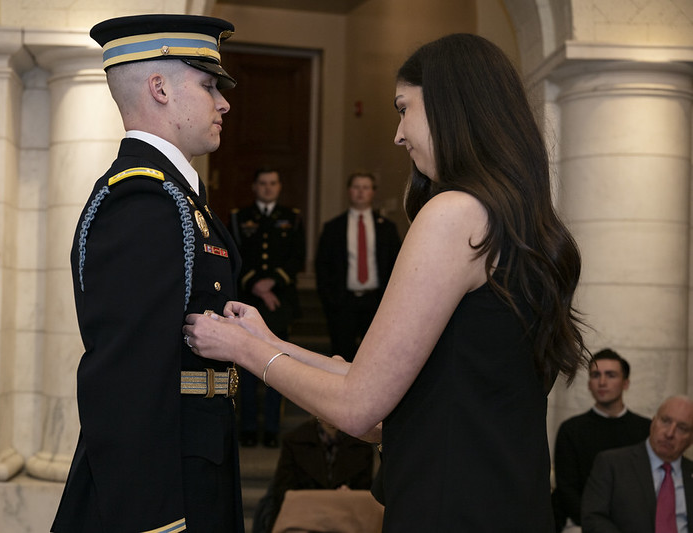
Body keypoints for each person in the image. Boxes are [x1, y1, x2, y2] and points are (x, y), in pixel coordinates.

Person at [185, 33, 587, 532]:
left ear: (447, 106)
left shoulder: (454, 213)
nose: (398, 135)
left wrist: (243, 351)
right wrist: (271, 342)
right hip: (507, 503)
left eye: (403, 109)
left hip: (448, 509)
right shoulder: (518, 220)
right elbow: (387, 380)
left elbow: (359, 409)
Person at [51, 14, 244, 533]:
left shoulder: (176, 197)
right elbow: (125, 381)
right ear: (159, 88)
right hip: (164, 489)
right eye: (208, 86)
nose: (223, 102)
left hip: (198, 460)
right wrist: (155, 522)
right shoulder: (144, 202)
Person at [230, 168, 305, 448]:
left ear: (279, 186)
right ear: (254, 186)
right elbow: (234, 256)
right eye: (262, 183)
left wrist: (272, 283)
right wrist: (256, 285)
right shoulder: (239, 217)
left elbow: (297, 258)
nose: (268, 188)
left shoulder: (292, 217)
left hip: (280, 302)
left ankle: (272, 428)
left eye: (273, 183)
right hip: (248, 300)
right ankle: (248, 427)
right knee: (248, 366)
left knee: (278, 365)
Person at [552, 349, 651, 531]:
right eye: (596, 375)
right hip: (584, 523)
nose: (602, 382)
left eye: (611, 375)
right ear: (589, 384)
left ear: (625, 383)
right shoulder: (571, 430)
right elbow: (567, 489)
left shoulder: (646, 429)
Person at [315, 172, 401, 361]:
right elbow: (322, 266)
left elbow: (397, 265)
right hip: (343, 303)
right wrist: (330, 300)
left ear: (373, 192)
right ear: (349, 191)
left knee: (376, 356)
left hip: (377, 303)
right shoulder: (333, 228)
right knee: (342, 356)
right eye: (356, 187)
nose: (361, 192)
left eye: (365, 187)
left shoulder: (387, 228)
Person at [581, 395, 693, 533]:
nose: (670, 433)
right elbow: (593, 518)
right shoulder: (612, 464)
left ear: (691, 439)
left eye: (682, 428)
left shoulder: (689, 472)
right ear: (653, 422)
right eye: (665, 421)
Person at [252, 416, 375, 533]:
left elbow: (365, 493)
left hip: (345, 520)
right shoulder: (294, 440)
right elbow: (283, 491)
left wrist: (349, 496)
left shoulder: (362, 445)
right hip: (304, 519)